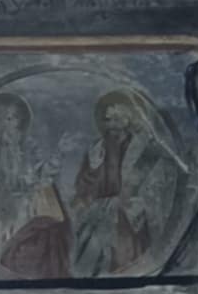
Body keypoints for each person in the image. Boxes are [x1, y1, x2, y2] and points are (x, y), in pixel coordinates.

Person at [71, 90, 184, 277]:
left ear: (128, 120)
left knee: (125, 253)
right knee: (90, 250)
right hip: (100, 211)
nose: (111, 125)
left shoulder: (144, 148)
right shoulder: (98, 148)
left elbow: (160, 180)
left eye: (117, 119)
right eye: (108, 120)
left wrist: (138, 202)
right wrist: (92, 168)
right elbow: (84, 186)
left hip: (130, 212)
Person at [0, 95, 70, 278]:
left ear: (20, 121)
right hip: (0, 210)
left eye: (12, 118)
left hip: (26, 208)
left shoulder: (28, 146)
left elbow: (41, 175)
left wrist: (59, 154)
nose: (6, 123)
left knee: (24, 250)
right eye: (1, 118)